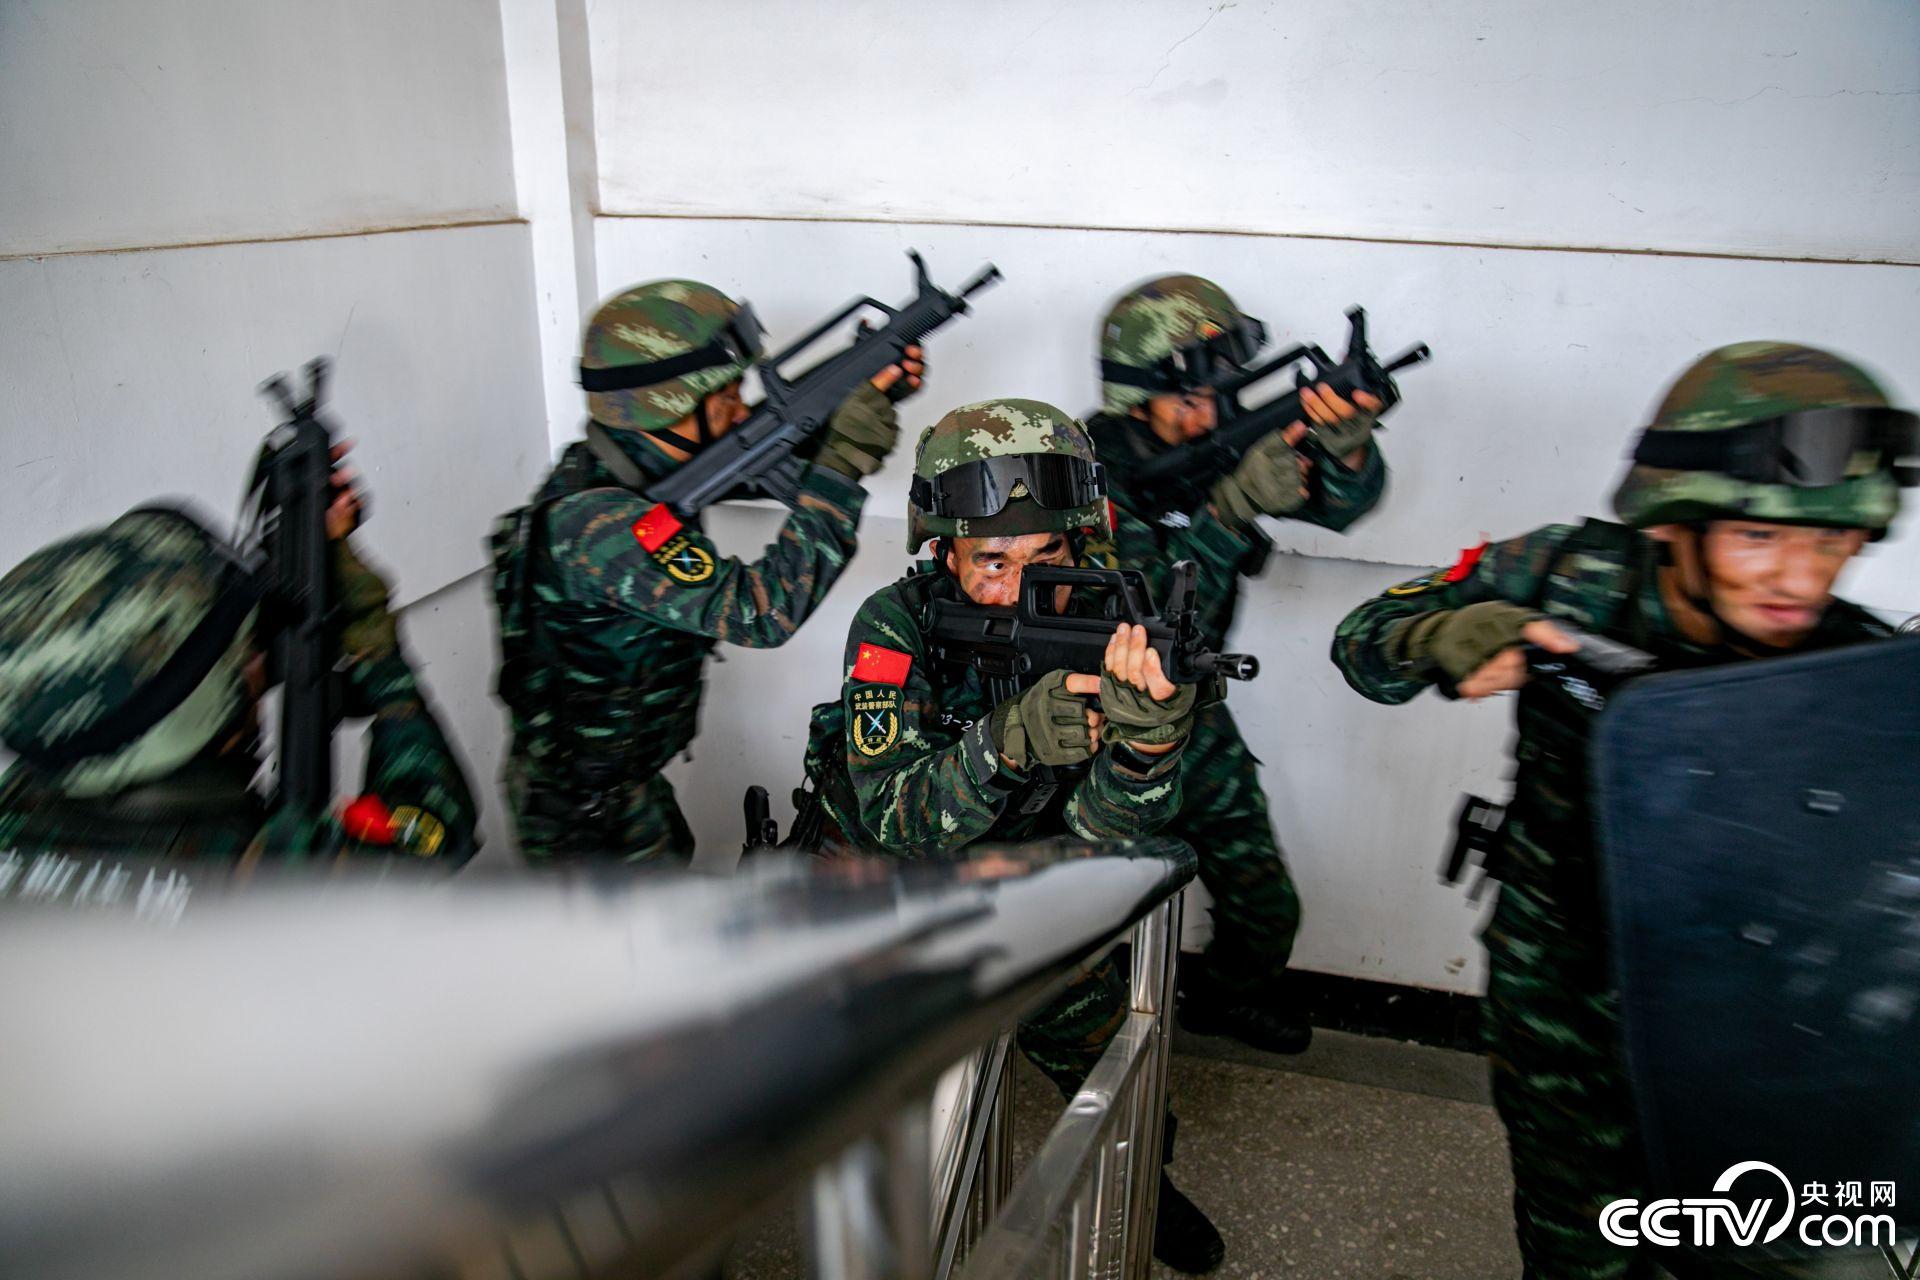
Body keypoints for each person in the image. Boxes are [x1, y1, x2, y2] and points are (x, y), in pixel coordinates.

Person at [1330, 342, 1915, 1279]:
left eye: (1831, 543)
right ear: (1674, 522)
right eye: (1758, 537)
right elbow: (1361, 644)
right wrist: (1445, 634)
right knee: (1583, 1250)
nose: (1800, 582)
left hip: (1757, 1024)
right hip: (1567, 1001)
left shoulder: (1855, 667)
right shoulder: (1565, 573)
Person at [800, 398, 1225, 1273]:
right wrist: (1004, 743)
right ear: (941, 550)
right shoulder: (896, 625)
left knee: (1111, 1059)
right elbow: (897, 823)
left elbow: (1106, 839)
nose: (1014, 587)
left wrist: (1146, 748)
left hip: (1029, 871)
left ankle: (1143, 1184)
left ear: (1083, 546)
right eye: (988, 560)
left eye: (1046, 559)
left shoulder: (1118, 620)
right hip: (890, 895)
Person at [491, 279, 921, 862]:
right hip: (586, 817)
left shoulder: (625, 467)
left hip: (625, 786)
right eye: (726, 393)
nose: (742, 407)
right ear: (668, 404)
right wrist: (843, 461)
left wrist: (860, 395)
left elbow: (761, 451)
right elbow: (762, 611)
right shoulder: (598, 525)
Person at [1088, 274, 1390, 1052]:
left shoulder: (1219, 438)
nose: (1211, 415)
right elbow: (1142, 615)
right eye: (1190, 399)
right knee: (1079, 911)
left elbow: (1342, 504)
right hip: (1099, 721)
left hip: (1198, 715)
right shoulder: (1085, 470)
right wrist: (1226, 513)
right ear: (1133, 397)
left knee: (1266, 905)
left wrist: (1346, 446)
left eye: (1221, 395)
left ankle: (1225, 999)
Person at [0, 455, 477, 864]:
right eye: (241, 655)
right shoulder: (264, 878)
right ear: (189, 718)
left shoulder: (27, 797)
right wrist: (377, 651)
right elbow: (435, 828)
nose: (260, 656)